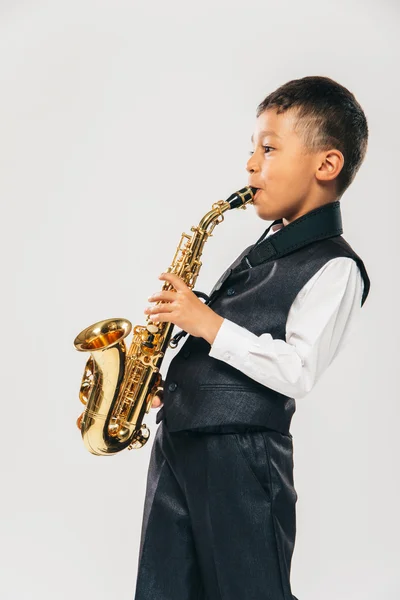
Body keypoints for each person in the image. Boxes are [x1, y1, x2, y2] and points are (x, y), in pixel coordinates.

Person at [133, 75, 371, 600]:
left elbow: (297, 370)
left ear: (325, 165)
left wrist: (206, 322)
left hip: (242, 455)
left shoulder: (336, 267)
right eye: (251, 149)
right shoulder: (268, 245)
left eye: (268, 149)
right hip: (181, 440)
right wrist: (171, 385)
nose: (250, 165)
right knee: (162, 587)